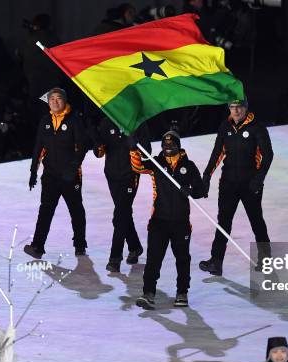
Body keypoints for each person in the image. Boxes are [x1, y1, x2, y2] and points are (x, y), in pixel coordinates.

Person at [129, 130, 205, 309]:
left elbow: (201, 191)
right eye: (165, 145)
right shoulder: (156, 162)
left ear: (178, 146)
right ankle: (148, 293)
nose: (168, 148)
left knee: (182, 258)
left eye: (171, 145)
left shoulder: (189, 166)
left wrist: (191, 191)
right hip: (159, 221)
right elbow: (138, 167)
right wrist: (133, 149)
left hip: (181, 222)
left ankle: (182, 292)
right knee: (154, 258)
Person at [199, 98, 274, 275]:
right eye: (232, 107)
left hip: (250, 183)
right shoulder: (225, 126)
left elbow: (268, 155)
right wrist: (207, 174)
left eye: (239, 107)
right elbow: (218, 152)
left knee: (256, 221)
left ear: (246, 108)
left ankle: (266, 260)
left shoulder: (257, 127)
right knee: (223, 222)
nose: (236, 111)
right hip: (228, 183)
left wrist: (259, 178)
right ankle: (216, 262)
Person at [25, 88, 88, 258]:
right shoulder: (45, 121)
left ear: (65, 101)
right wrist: (33, 172)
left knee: (76, 210)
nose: (54, 101)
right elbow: (39, 147)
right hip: (50, 176)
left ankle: (80, 245)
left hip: (70, 175)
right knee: (45, 210)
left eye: (58, 98)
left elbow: (81, 147)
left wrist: (73, 168)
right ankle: (37, 246)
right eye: (51, 99)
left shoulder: (74, 121)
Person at [91, 117, 151, 272]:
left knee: (119, 215)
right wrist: (96, 144)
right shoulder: (105, 122)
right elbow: (99, 152)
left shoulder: (138, 122)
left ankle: (115, 258)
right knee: (123, 213)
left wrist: (135, 143)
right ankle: (135, 247)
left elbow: (147, 153)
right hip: (112, 175)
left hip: (131, 174)